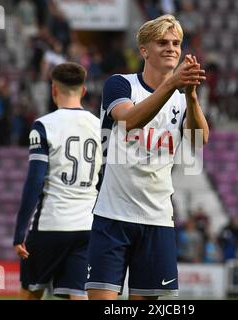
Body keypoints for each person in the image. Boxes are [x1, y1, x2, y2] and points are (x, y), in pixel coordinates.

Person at [85, 14, 209, 300]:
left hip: (158, 219)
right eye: (162, 42)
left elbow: (197, 141)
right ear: (144, 50)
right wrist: (172, 84)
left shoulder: (180, 98)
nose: (171, 48)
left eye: (176, 43)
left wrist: (190, 95)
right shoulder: (121, 84)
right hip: (112, 215)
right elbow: (129, 120)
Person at [13, 62, 102, 300]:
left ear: (53, 90)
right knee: (78, 295)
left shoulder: (44, 126)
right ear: (83, 90)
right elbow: (104, 181)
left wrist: (19, 232)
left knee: (31, 292)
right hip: (87, 227)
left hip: (51, 225)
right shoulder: (100, 126)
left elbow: (34, 182)